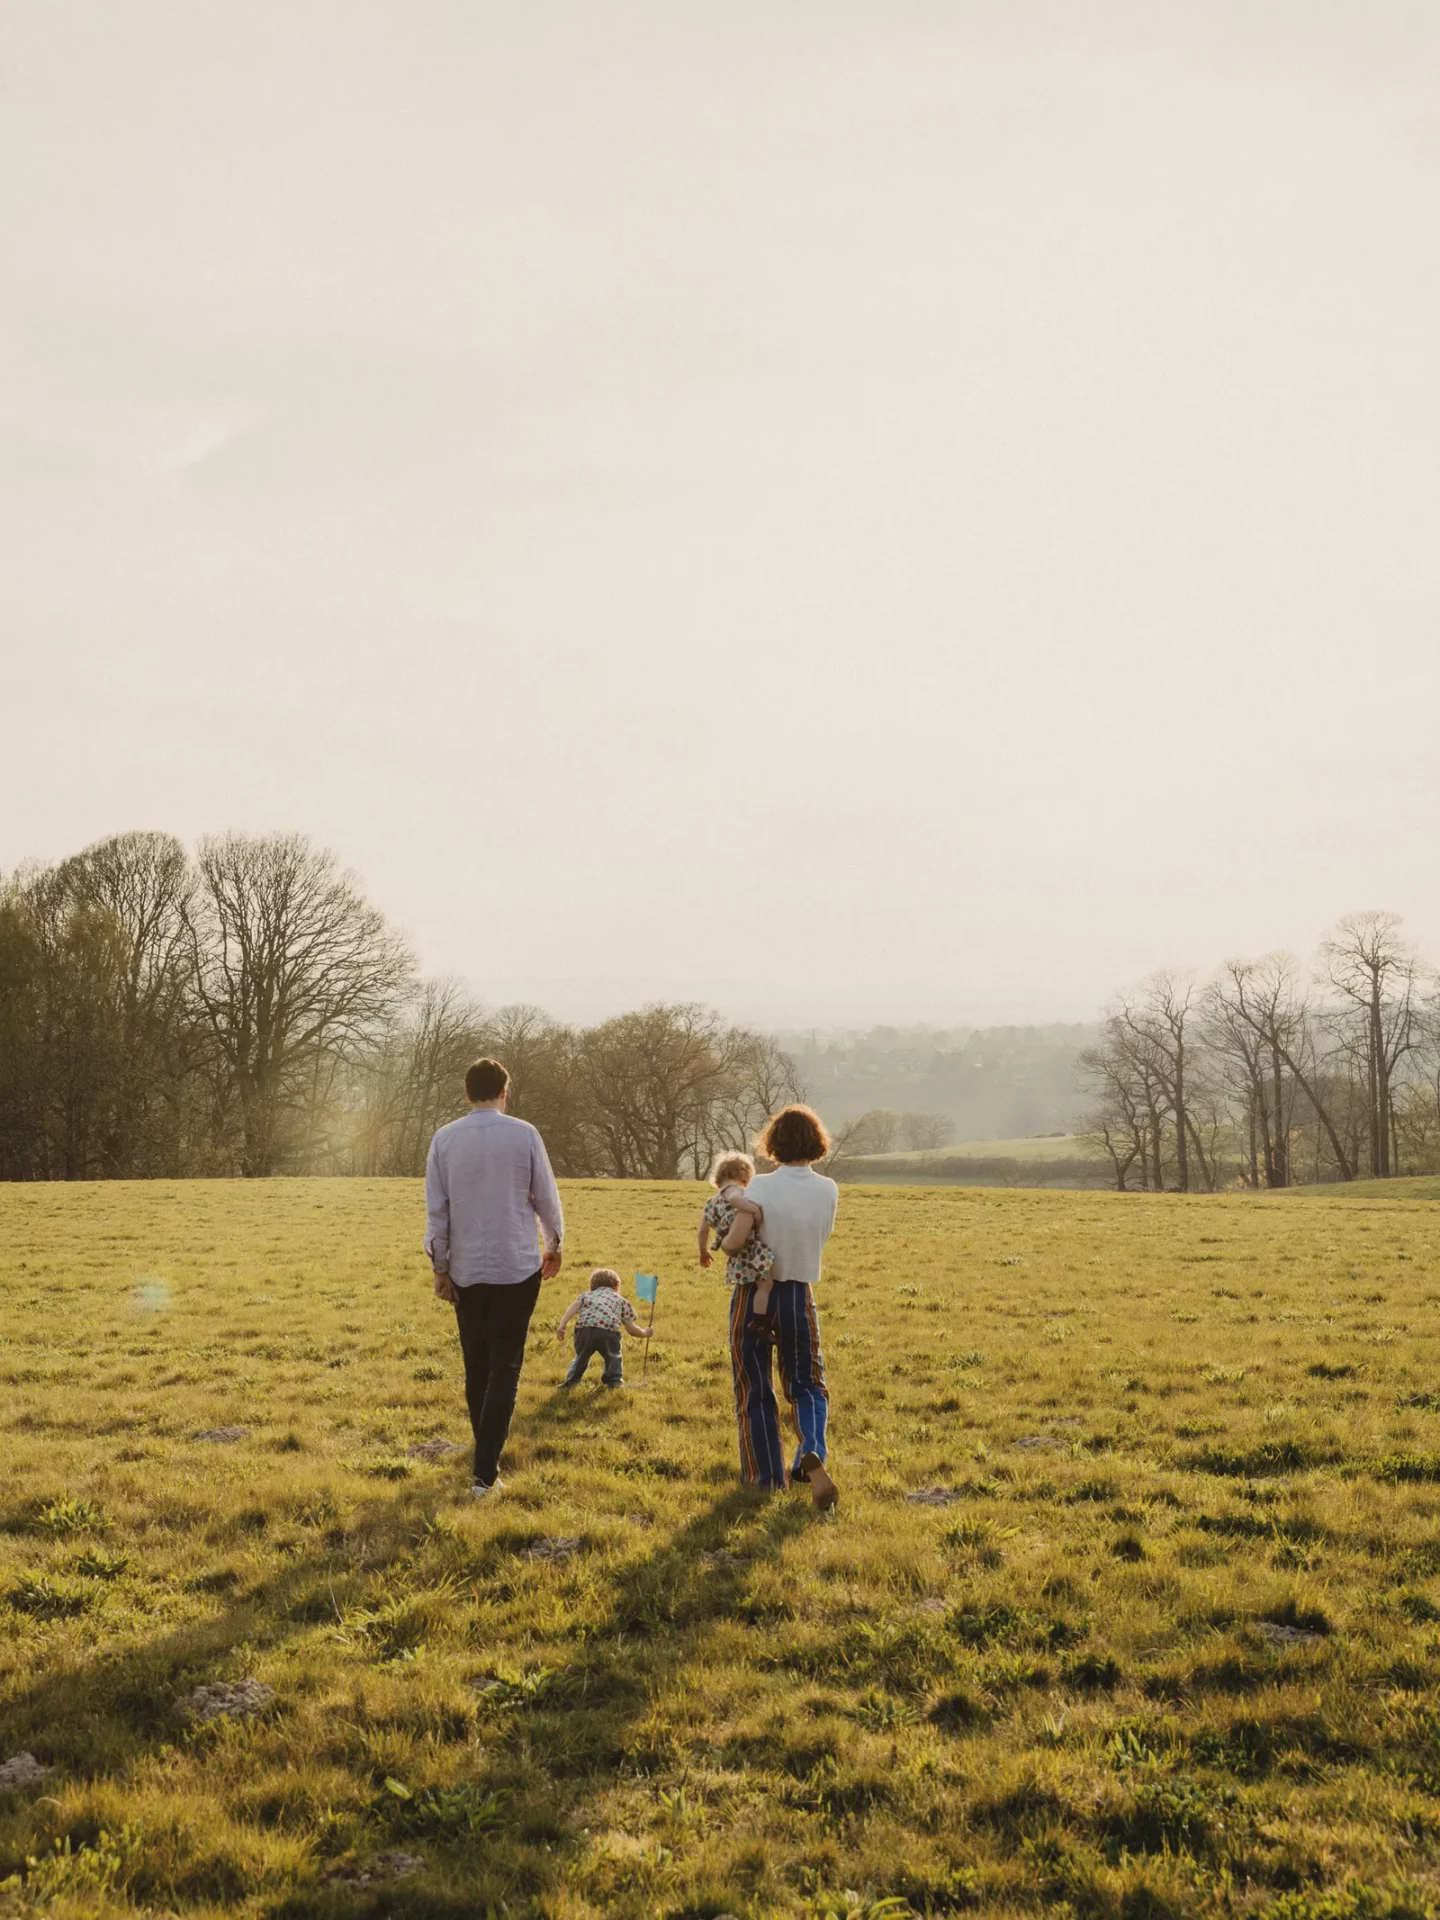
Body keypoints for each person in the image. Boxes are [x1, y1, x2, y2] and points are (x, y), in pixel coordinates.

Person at [424, 1057, 563, 1497]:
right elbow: (546, 1195)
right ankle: (485, 1472)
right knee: (505, 1365)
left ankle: (484, 1464)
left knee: (476, 1364)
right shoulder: (524, 1134)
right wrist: (554, 1244)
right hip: (517, 1266)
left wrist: (440, 1267)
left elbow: (437, 1209)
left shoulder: (444, 1139)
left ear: (467, 1094)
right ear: (504, 1091)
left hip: (465, 1267)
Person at [723, 1105, 839, 1510]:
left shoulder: (759, 1189)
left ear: (773, 1143)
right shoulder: (829, 1189)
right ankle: (810, 1452)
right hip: (797, 1294)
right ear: (816, 1143)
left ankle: (765, 1480)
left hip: (754, 1294)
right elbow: (824, 1234)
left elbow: (736, 1240)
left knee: (754, 1387)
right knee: (807, 1385)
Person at [698, 1152, 777, 1338]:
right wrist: (755, 1210)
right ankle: (759, 1322)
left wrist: (703, 1251)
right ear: (742, 1174)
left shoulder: (711, 1202)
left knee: (752, 1286)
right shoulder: (735, 1191)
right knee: (765, 1285)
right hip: (751, 1249)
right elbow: (735, 1201)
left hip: (737, 1257)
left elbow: (703, 1230)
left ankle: (757, 1322)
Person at [555, 1267, 652, 1387]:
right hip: (607, 1332)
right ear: (616, 1285)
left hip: (584, 1331)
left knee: (581, 1357)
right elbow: (631, 1329)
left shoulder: (586, 1295)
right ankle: (614, 1381)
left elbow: (573, 1307)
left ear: (593, 1285)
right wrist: (645, 1333)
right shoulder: (620, 1300)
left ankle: (571, 1382)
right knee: (613, 1357)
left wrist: (562, 1324)